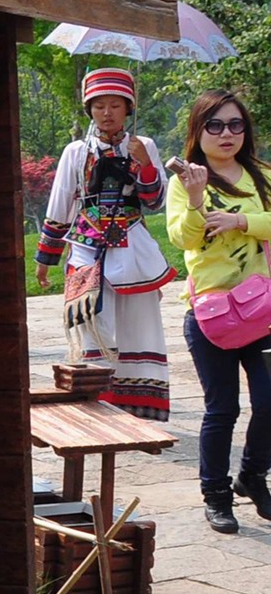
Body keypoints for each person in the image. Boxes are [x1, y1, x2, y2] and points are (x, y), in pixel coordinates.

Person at [35, 66, 174, 419]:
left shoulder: (145, 146)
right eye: (99, 106)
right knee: (93, 326)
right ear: (89, 110)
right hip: (86, 251)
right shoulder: (76, 152)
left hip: (133, 250)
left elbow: (156, 201)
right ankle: (101, 407)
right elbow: (61, 205)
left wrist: (144, 165)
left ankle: (142, 409)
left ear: (128, 108)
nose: (106, 113)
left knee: (139, 325)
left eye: (115, 105)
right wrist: (46, 257)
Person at [165, 90, 271, 534]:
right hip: (212, 315)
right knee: (221, 408)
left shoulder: (261, 174)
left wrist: (242, 221)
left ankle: (253, 475)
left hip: (263, 308)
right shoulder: (185, 180)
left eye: (235, 125)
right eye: (215, 125)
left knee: (269, 399)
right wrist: (194, 198)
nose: (227, 134)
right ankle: (217, 495)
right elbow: (183, 239)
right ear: (198, 130)